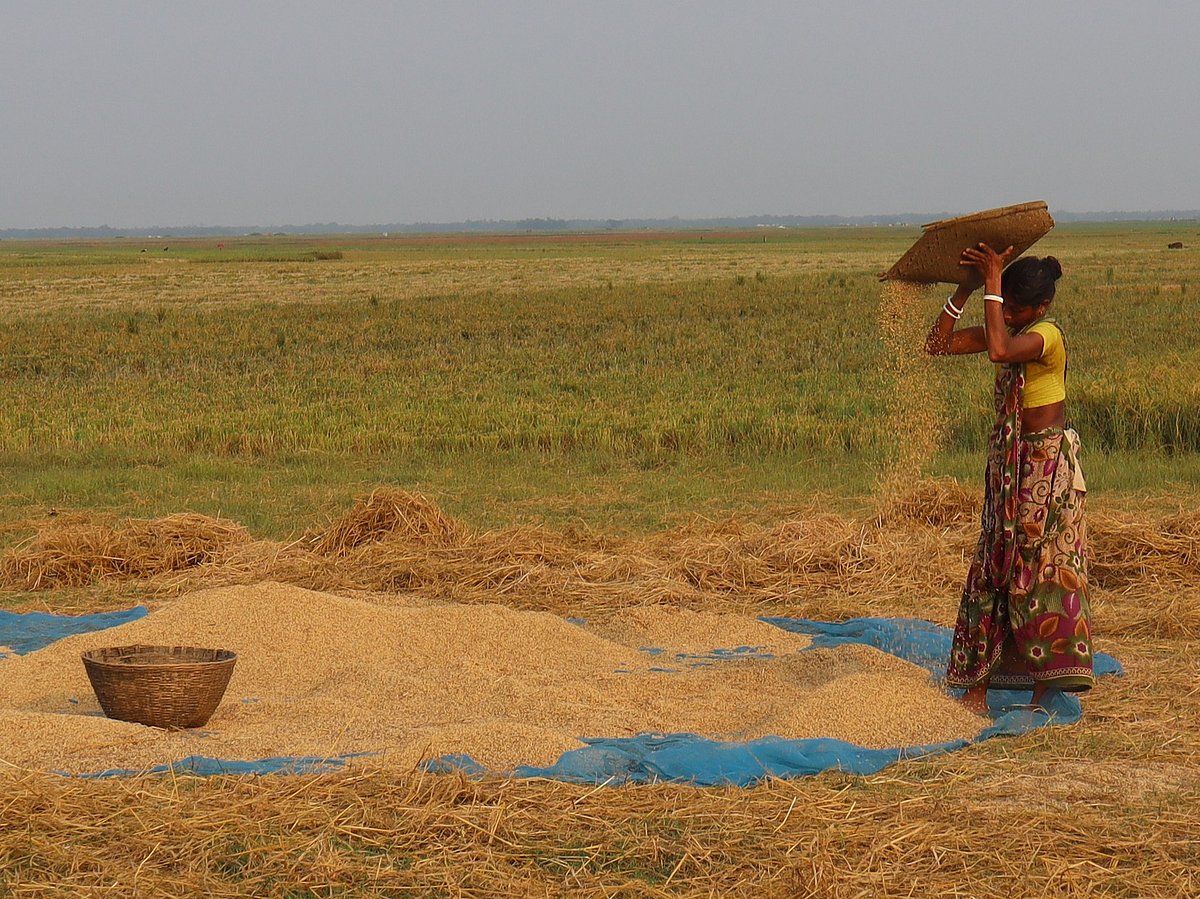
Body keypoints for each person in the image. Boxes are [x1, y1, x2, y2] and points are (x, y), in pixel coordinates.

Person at [925, 244, 1094, 713]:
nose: (1010, 314)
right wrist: (964, 290)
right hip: (1009, 467)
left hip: (1044, 469)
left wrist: (994, 283)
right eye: (1007, 307)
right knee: (995, 566)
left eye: (1018, 308)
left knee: (1041, 570)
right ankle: (977, 687)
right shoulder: (1014, 325)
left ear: (1040, 308)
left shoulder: (1045, 335)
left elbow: (999, 350)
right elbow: (937, 345)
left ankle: (1045, 690)